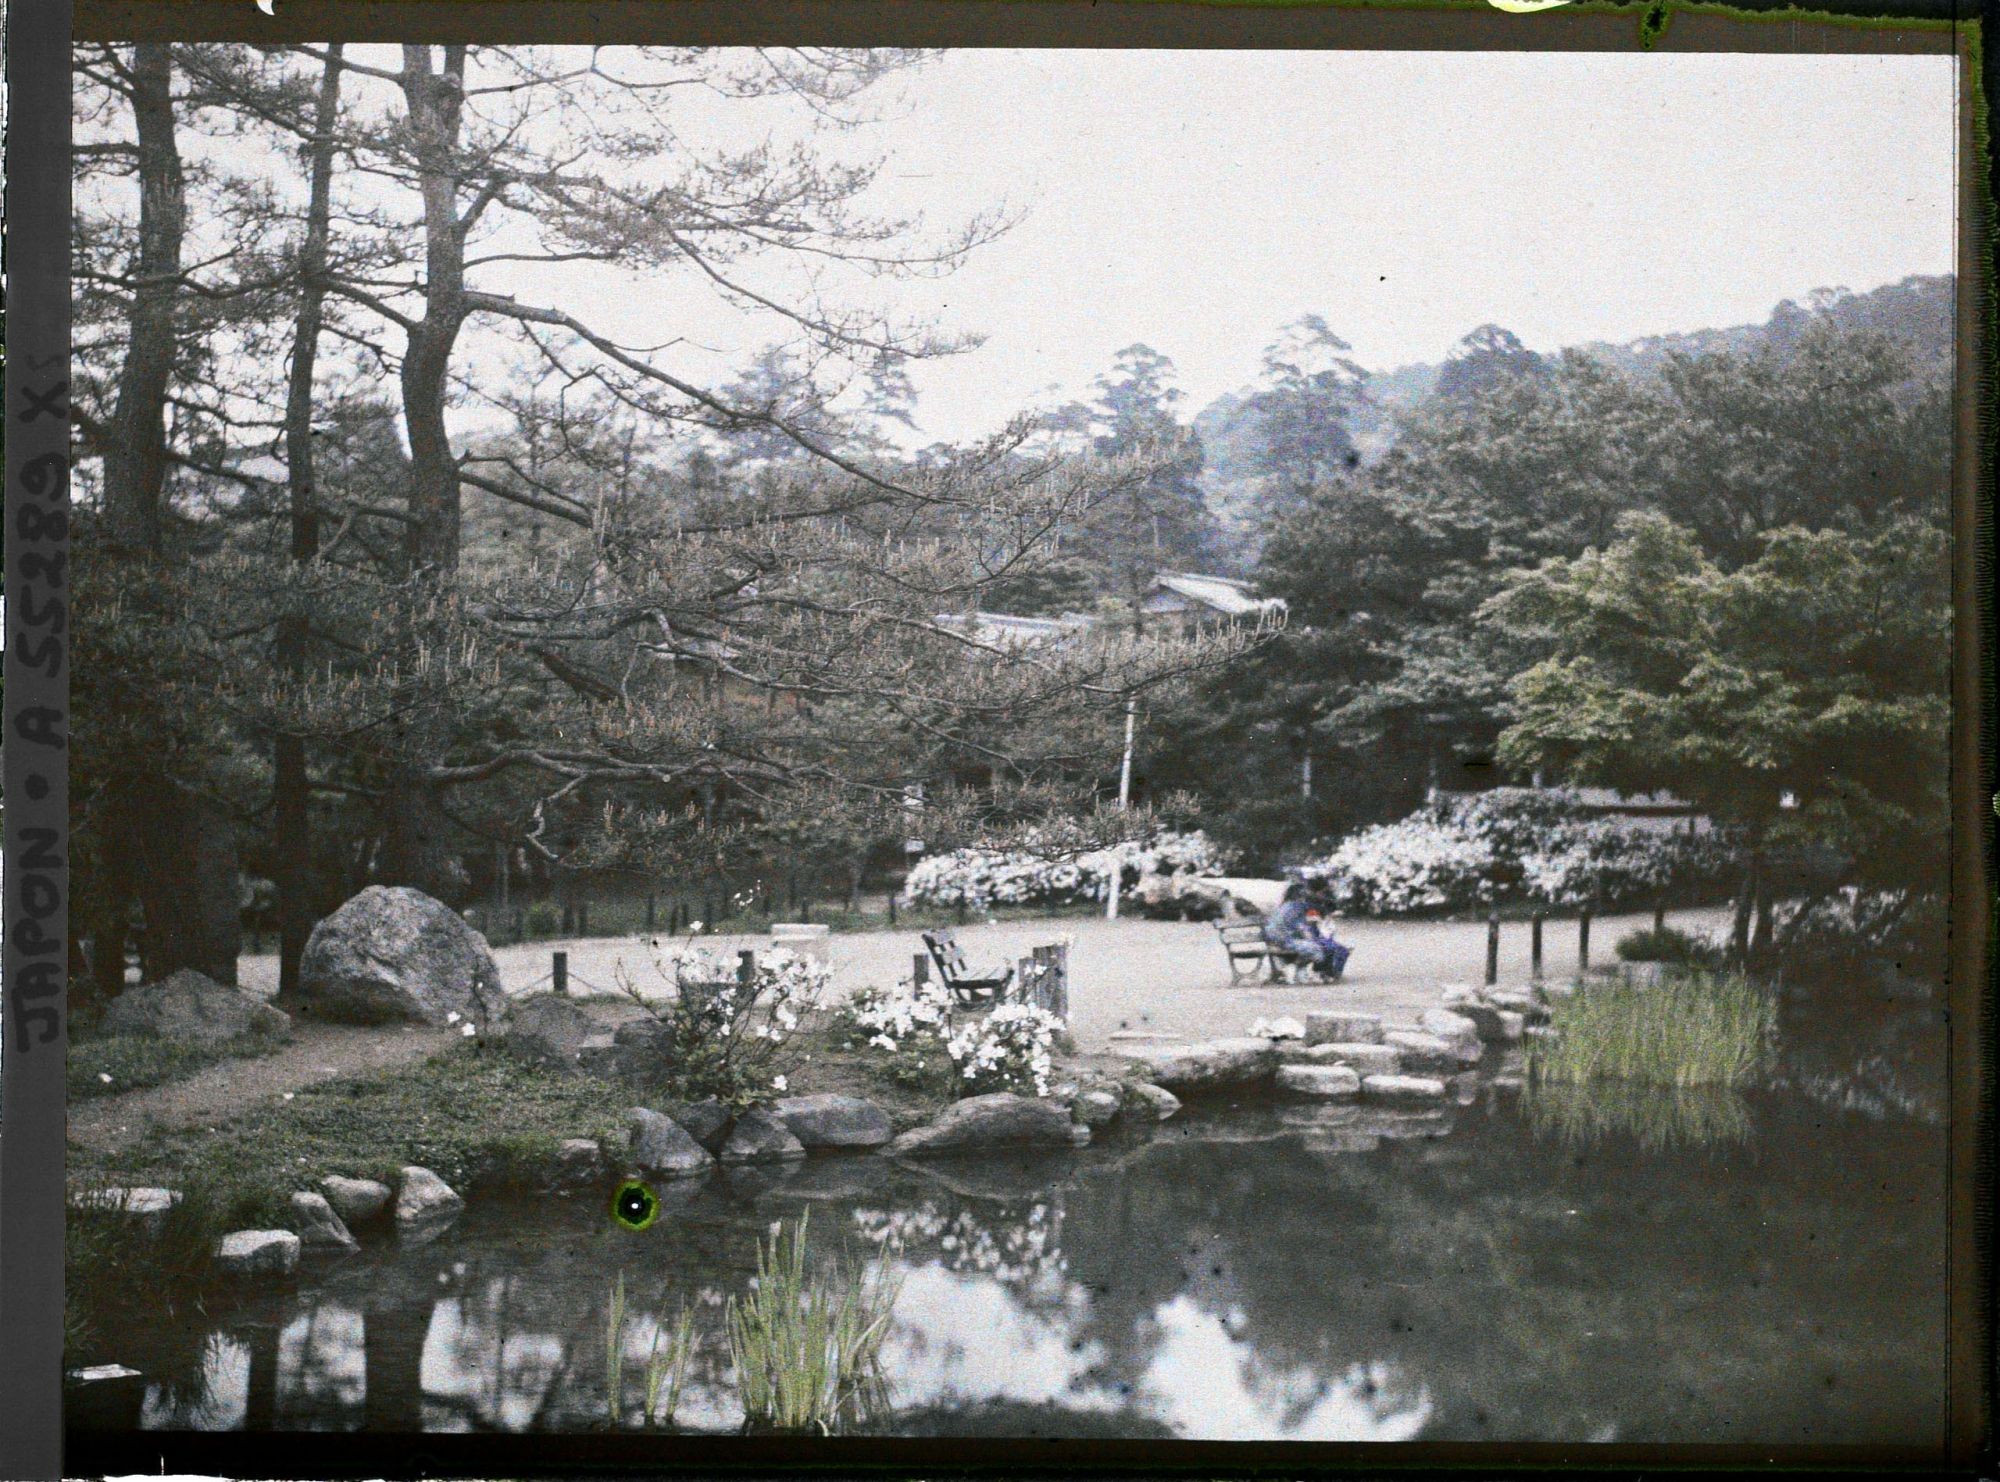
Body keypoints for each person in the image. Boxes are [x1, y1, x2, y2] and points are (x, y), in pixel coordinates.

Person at [1263, 881, 1350, 982]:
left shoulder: (1285, 906)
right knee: (1320, 948)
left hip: (1276, 940)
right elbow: (1302, 929)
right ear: (1300, 896)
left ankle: (1318, 973)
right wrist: (1313, 938)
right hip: (1285, 941)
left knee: (1324, 946)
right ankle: (1304, 969)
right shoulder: (1296, 907)